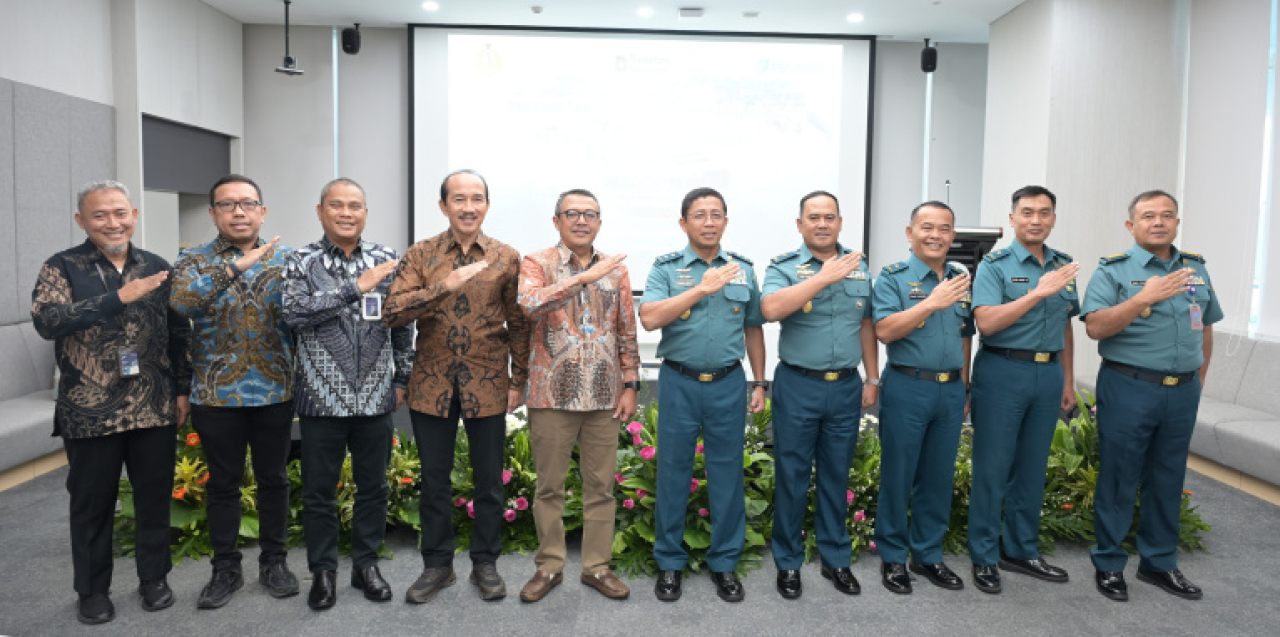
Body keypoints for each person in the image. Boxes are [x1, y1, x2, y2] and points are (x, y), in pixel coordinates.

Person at [31, 180, 192, 624]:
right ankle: (92, 590)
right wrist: (116, 298)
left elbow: (180, 334)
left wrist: (182, 389)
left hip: (154, 405)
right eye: (100, 215)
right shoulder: (61, 267)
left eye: (120, 213)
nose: (112, 222)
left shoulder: (158, 266)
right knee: (91, 503)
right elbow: (48, 321)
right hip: (90, 411)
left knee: (154, 498)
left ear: (133, 215)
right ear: (81, 220)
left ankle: (154, 578)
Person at [385, 169, 531, 603]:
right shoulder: (422, 254)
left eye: (477, 199)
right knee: (434, 481)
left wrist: (517, 381)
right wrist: (441, 288)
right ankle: (437, 566)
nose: (469, 207)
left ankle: (485, 563)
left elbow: (520, 325)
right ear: (443, 204)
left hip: (488, 381)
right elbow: (392, 311)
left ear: (487, 205)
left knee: (488, 481)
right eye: (459, 199)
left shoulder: (506, 256)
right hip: (430, 382)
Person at [1081, 189, 1220, 602]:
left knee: (1168, 476)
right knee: (1120, 477)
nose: (1158, 222)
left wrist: (1200, 378)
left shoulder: (1195, 269)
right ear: (1132, 226)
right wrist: (1143, 298)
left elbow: (1205, 325)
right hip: (1130, 386)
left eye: (1166, 216)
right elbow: (1096, 327)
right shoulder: (1113, 271)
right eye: (1148, 217)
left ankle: (1159, 563)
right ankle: (1108, 563)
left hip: (1182, 391)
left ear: (1177, 222)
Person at [282, 178, 413, 610]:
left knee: (373, 488)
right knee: (319, 490)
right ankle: (322, 572)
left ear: (365, 213)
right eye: (336, 205)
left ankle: (365, 566)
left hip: (376, 397)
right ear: (320, 211)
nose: (346, 212)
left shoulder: (386, 259)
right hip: (320, 399)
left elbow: (400, 322)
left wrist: (401, 379)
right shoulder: (300, 260)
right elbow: (294, 315)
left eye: (354, 205)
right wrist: (354, 288)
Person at [170, 174, 298, 609]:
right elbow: (181, 303)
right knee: (223, 484)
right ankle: (225, 569)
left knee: (274, 480)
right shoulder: (193, 259)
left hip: (275, 391)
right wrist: (234, 268)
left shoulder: (288, 259)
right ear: (212, 214)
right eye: (228, 205)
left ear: (262, 211)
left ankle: (274, 561)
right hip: (215, 394)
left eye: (247, 203)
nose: (238, 212)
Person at [639, 187, 768, 603]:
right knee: (673, 472)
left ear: (726, 222)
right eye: (699, 215)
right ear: (684, 223)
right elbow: (650, 318)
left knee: (727, 474)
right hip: (679, 381)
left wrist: (760, 382)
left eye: (716, 214)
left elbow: (753, 329)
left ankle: (725, 563)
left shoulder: (743, 269)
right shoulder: (666, 268)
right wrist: (701, 288)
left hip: (729, 383)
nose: (708, 221)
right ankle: (670, 564)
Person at [515, 188, 640, 603]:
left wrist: (631, 383)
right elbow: (529, 305)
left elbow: (626, 327)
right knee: (549, 488)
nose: (582, 220)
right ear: (557, 221)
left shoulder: (616, 269)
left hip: (605, 393)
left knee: (600, 487)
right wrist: (581, 279)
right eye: (573, 213)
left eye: (590, 214)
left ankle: (597, 568)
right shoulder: (537, 262)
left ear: (599, 221)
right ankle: (549, 568)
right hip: (551, 394)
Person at [761, 190, 878, 600]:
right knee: (792, 477)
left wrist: (872, 378)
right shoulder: (784, 266)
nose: (822, 223)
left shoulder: (859, 267)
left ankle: (836, 559)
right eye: (814, 217)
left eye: (830, 217)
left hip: (846, 386)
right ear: (800, 225)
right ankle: (789, 563)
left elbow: (866, 323)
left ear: (841, 222)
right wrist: (824, 276)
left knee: (835, 475)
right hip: (798, 384)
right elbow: (772, 309)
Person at [966, 185, 1079, 594]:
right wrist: (1037, 293)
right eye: (1027, 212)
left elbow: (1066, 323)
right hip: (1003, 370)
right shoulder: (994, 265)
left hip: (1048, 374)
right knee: (993, 468)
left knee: (1032, 468)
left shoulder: (1063, 265)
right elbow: (988, 324)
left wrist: (1067, 379)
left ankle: (1021, 549)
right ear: (1012, 218)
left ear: (1053, 218)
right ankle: (983, 554)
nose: (1036, 220)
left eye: (1044, 213)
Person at [871, 200, 974, 595]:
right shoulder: (894, 278)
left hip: (950, 389)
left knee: (938, 476)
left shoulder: (962, 276)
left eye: (945, 228)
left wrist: (964, 385)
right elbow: (885, 330)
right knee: (899, 475)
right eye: (927, 227)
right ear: (910, 232)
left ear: (953, 235)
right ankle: (894, 558)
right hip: (908, 385)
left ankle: (928, 556)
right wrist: (931, 302)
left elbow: (966, 335)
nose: (936, 235)